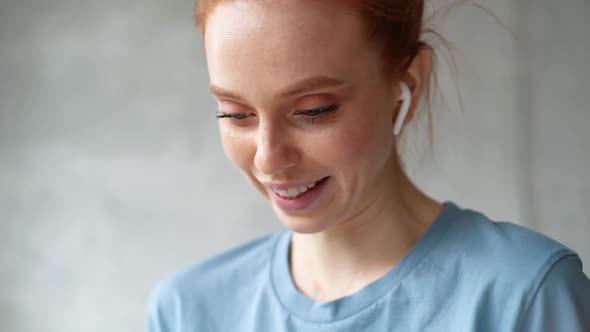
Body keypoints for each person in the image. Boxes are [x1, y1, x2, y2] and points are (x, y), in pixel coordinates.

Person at [147, 0, 590, 331]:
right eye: (235, 113)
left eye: (314, 110)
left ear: (405, 85)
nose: (268, 157)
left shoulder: (525, 296)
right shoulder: (186, 311)